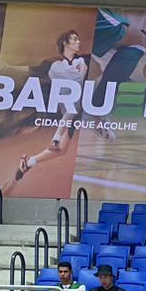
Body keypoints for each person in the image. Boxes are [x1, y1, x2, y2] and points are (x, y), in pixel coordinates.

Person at [15, 30, 88, 184]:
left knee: (61, 150)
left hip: (76, 109)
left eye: (78, 39)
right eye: (74, 39)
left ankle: (29, 162)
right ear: (65, 43)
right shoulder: (52, 64)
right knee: (60, 145)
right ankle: (52, 140)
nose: (78, 42)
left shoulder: (83, 61)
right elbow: (30, 70)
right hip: (61, 109)